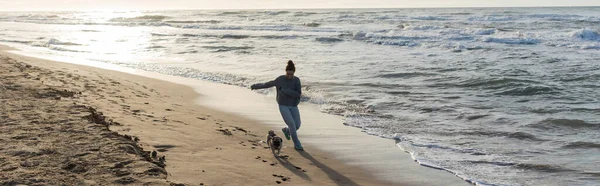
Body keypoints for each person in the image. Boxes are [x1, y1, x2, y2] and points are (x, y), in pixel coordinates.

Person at [251, 60, 304, 151]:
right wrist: (255, 86)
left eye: (291, 74)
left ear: (294, 73)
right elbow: (267, 84)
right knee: (292, 124)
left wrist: (284, 90)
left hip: (293, 105)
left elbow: (298, 94)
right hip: (283, 105)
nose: (289, 76)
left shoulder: (296, 81)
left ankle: (287, 130)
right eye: (288, 74)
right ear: (285, 72)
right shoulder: (280, 79)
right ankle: (297, 144)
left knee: (297, 125)